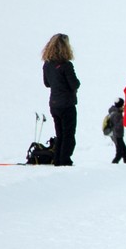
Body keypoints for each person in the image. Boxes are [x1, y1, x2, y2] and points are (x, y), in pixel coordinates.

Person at [41, 33, 80, 166]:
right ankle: (65, 160)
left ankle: (57, 159)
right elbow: (74, 84)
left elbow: (47, 83)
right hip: (67, 104)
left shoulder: (47, 65)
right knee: (68, 134)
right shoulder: (66, 65)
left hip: (54, 104)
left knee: (60, 133)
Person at [108, 98, 126, 163]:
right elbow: (117, 126)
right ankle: (114, 166)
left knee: (125, 152)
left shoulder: (114, 111)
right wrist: (124, 119)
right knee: (120, 153)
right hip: (117, 136)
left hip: (116, 135)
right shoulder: (117, 114)